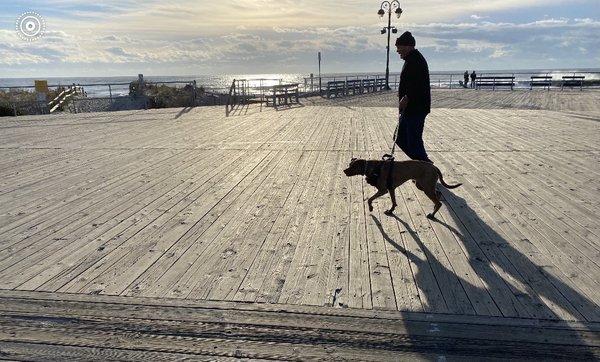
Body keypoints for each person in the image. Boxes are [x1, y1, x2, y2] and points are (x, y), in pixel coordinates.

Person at [395, 31, 433, 164]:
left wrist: (406, 97)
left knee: (413, 141)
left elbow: (417, 84)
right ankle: (422, 167)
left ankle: (425, 168)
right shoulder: (411, 59)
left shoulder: (416, 60)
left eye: (399, 48)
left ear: (408, 46)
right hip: (410, 109)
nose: (398, 51)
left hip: (415, 109)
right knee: (401, 139)